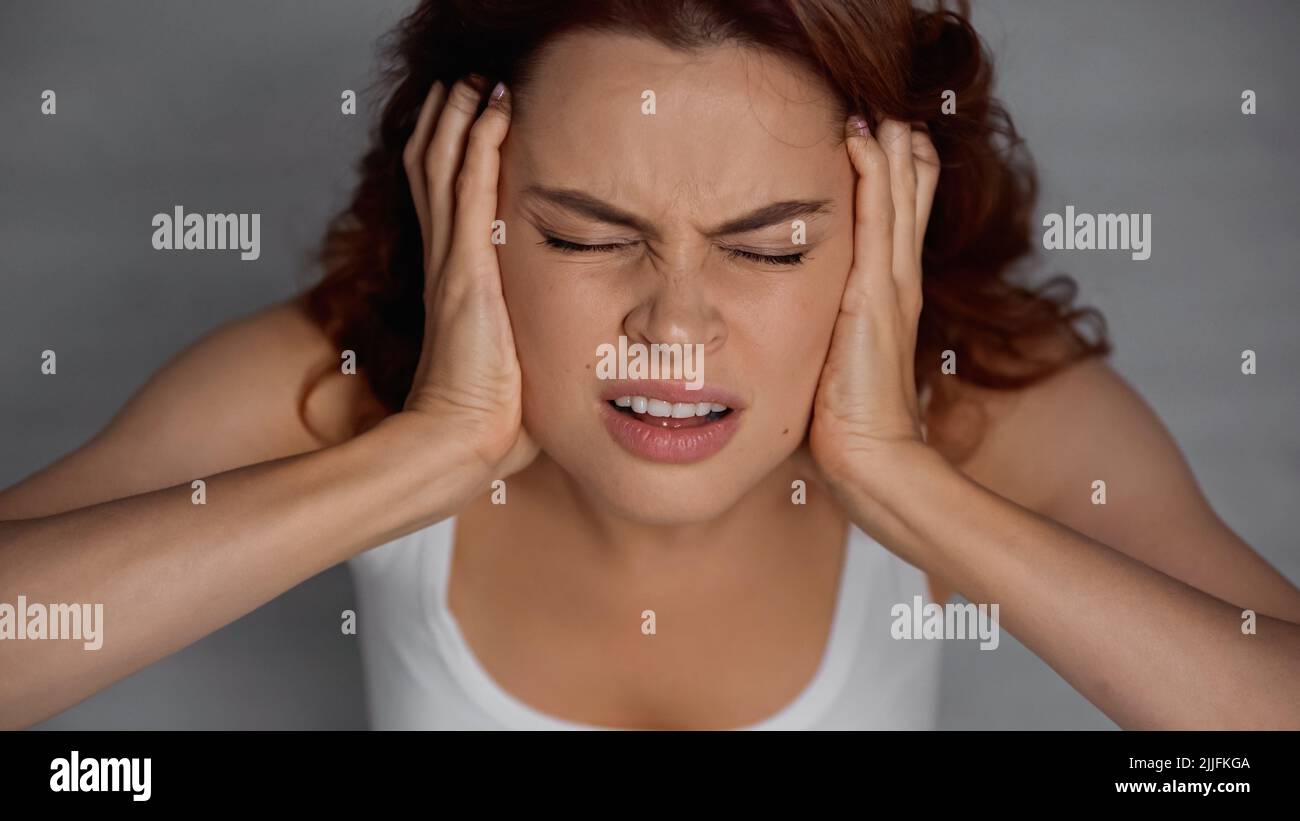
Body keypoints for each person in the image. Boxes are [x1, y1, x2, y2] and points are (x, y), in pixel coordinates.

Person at [2, 0, 1297, 730]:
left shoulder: (975, 406)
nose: (674, 330)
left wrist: (911, 488)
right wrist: (420, 456)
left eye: (772, 249)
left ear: (883, 234)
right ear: (470, 208)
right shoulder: (344, 385)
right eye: (582, 234)